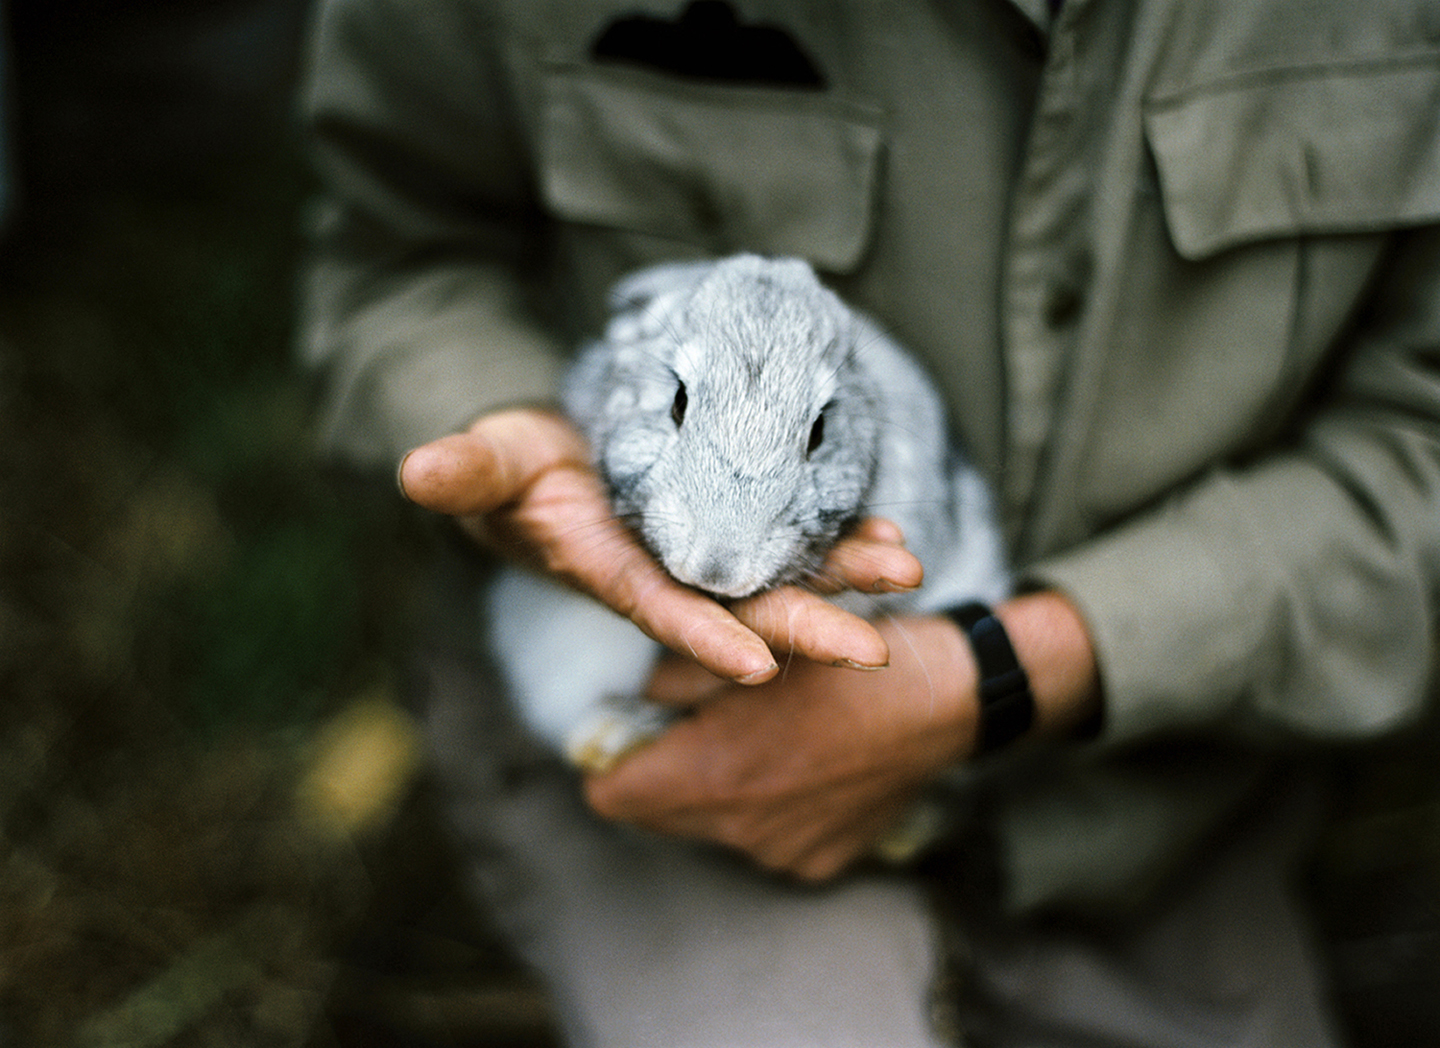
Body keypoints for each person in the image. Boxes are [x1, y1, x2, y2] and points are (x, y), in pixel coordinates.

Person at [299, 1, 1440, 1045]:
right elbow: (398, 252)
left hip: (1156, 785)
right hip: (648, 705)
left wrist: (1001, 670)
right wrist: (516, 443)